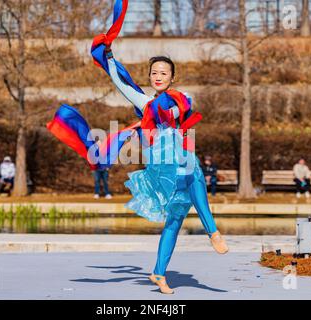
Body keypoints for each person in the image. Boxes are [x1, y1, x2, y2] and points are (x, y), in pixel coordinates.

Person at [47, 2, 228, 295]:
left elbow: (187, 106)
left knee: (175, 218)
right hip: (165, 163)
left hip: (179, 157)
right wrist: (107, 55)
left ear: (171, 77)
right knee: (193, 172)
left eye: (164, 73)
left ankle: (158, 273)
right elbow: (119, 80)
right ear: (150, 77)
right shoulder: (145, 103)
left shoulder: (181, 98)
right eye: (154, 72)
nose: (158, 76)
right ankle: (213, 232)